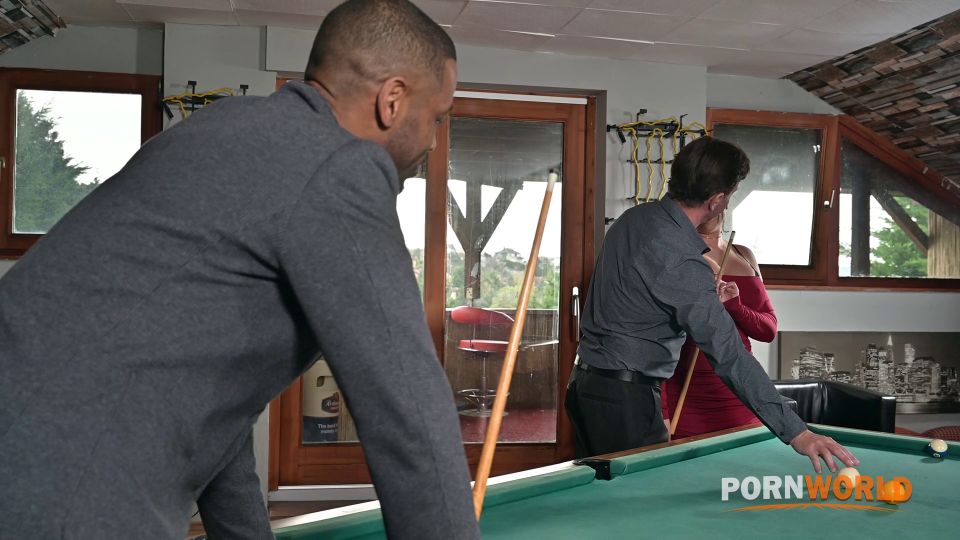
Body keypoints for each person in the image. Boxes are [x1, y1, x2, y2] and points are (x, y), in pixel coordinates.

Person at [0, 1, 479, 539]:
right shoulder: (339, 164)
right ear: (393, 100)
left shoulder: (223, 126)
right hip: (61, 487)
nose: (433, 140)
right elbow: (408, 410)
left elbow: (213, 402)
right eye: (437, 117)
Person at [565, 136, 859, 474]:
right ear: (717, 200)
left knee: (602, 495)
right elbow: (729, 354)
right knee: (642, 500)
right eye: (731, 194)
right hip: (625, 403)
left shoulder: (633, 219)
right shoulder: (683, 261)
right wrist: (797, 432)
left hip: (584, 386)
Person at [662, 211, 777, 438]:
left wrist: (736, 307)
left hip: (740, 389)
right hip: (687, 394)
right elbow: (658, 337)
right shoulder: (676, 255)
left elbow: (768, 331)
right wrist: (662, 409)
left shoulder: (744, 255)